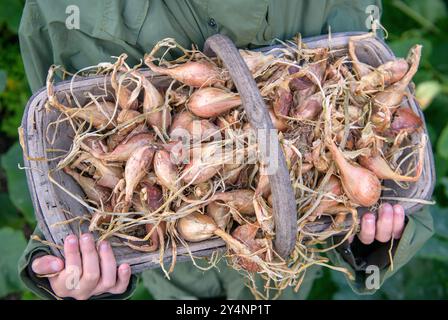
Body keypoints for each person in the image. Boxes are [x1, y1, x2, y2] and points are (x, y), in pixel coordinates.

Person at [18, 0, 434, 300]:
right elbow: (60, 152)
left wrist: (369, 243)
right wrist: (75, 267)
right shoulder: (61, 7)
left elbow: (366, 96)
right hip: (174, 260)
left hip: (292, 240)